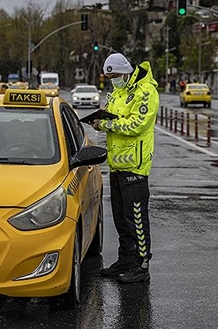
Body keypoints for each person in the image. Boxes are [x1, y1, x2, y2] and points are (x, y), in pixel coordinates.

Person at [89, 53, 159, 283]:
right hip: (117, 165)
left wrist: (106, 123)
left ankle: (141, 266)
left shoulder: (146, 92)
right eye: (110, 77)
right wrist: (100, 119)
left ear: (126, 72)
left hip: (135, 167)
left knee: (136, 219)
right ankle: (126, 260)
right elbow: (113, 115)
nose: (113, 80)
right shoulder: (119, 91)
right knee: (121, 218)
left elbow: (137, 125)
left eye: (116, 76)